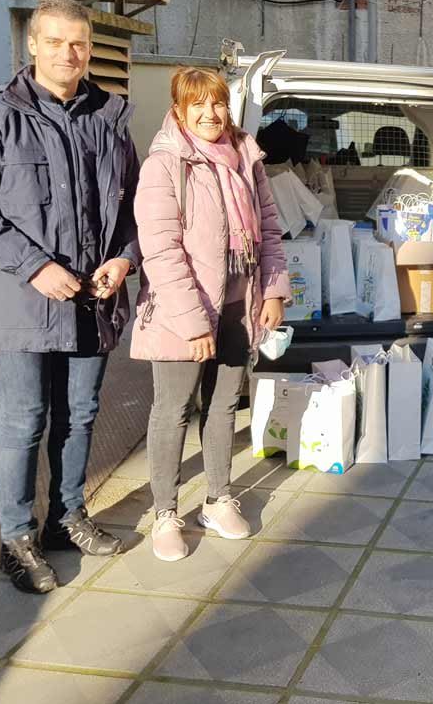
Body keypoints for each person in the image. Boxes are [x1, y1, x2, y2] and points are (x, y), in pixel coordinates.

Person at [0, 0, 140, 593]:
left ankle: (66, 518)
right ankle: (16, 537)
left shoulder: (109, 117)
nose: (67, 53)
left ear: (90, 48)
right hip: (20, 299)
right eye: (54, 42)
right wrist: (34, 266)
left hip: (90, 300)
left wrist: (124, 259)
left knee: (80, 414)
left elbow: (134, 205)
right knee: (25, 418)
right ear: (32, 46)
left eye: (78, 43)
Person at [131, 67, 289, 562]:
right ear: (179, 110)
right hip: (184, 311)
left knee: (222, 407)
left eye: (217, 102)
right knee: (173, 410)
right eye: (197, 104)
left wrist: (274, 292)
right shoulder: (165, 164)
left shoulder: (247, 157)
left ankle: (218, 499)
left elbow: (269, 228)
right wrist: (194, 322)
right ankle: (165, 512)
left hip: (240, 305)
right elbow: (161, 252)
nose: (209, 113)